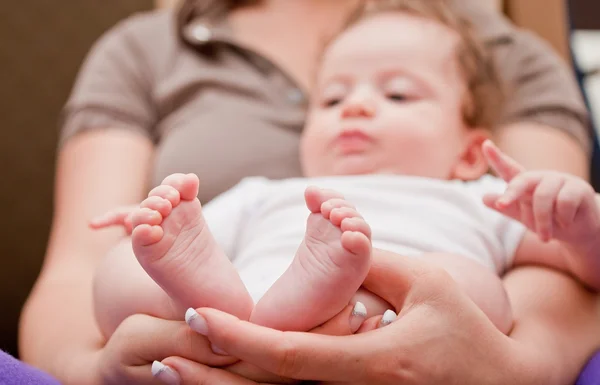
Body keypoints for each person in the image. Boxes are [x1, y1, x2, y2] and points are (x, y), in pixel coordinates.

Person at [18, 0, 600, 384]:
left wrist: (575, 223)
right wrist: (155, 221)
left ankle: (330, 306)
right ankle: (199, 305)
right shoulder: (273, 192)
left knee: (468, 285)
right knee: (120, 269)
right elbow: (79, 269)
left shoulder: (482, 195)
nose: (358, 105)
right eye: (332, 99)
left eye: (398, 95)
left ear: (472, 151)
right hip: (228, 316)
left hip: (407, 339)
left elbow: (579, 271)